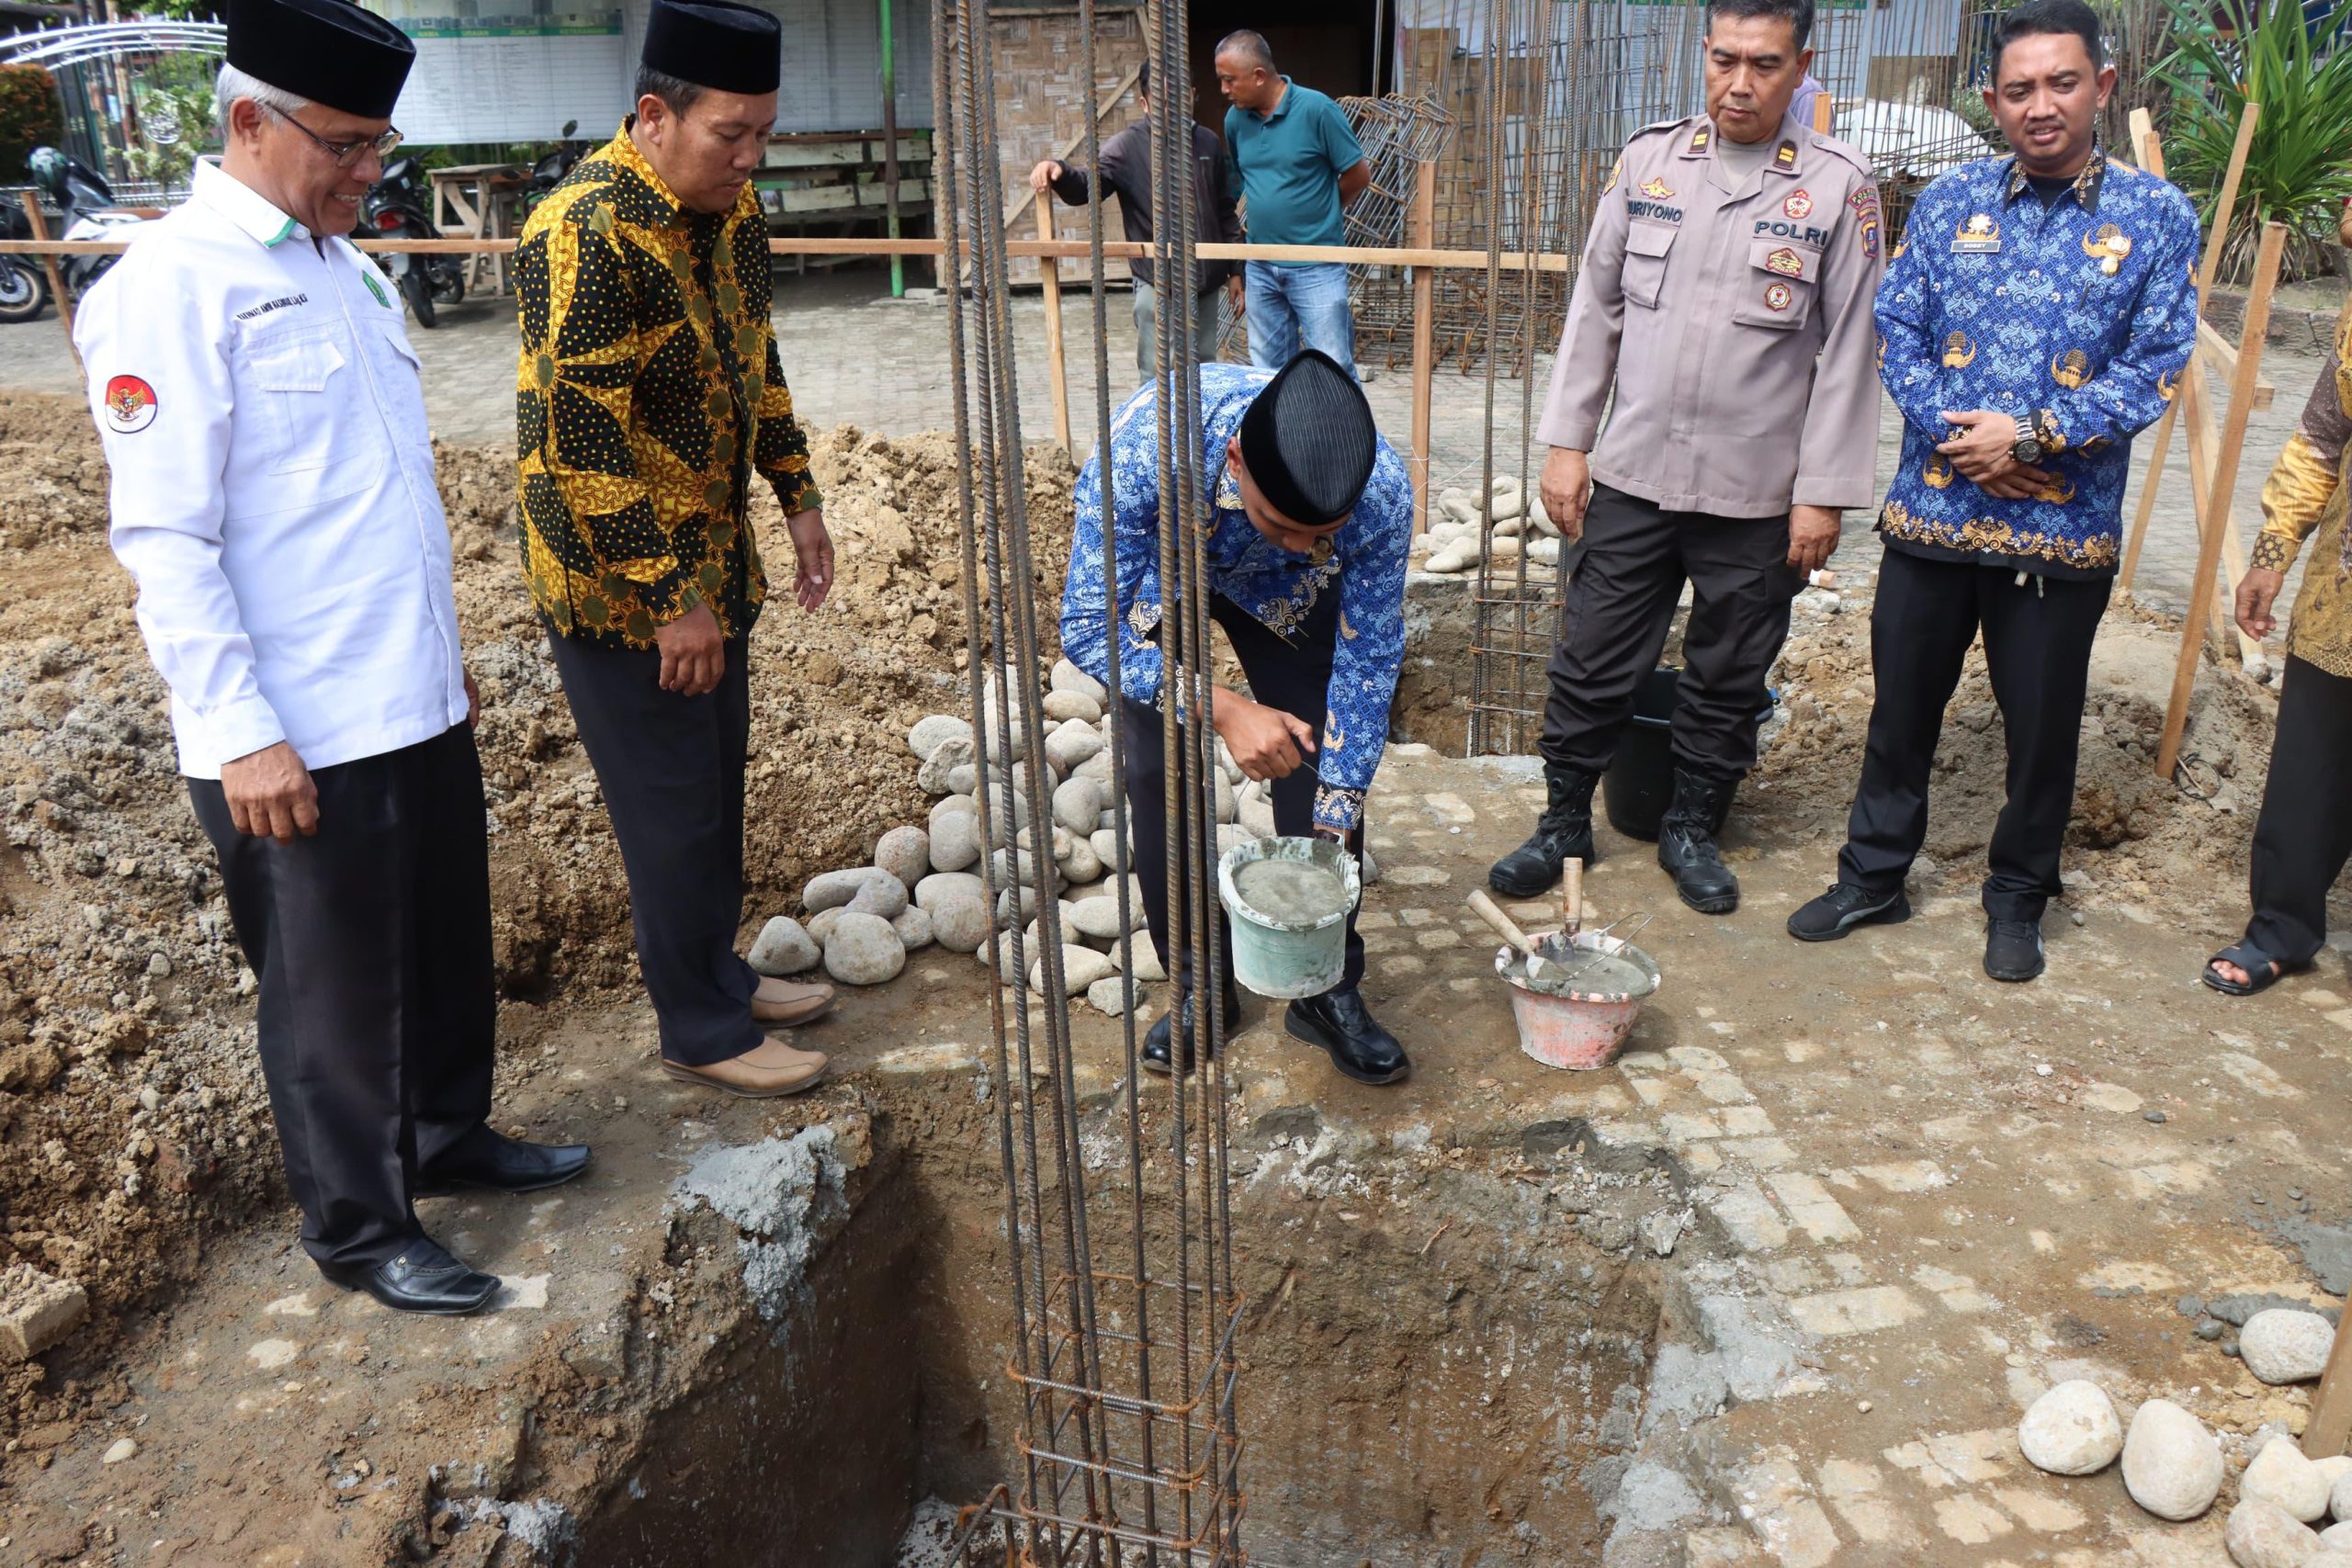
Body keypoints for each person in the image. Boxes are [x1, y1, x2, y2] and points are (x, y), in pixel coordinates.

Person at [78, 0, 591, 1317]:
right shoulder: (167, 290)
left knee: (439, 943)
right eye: (348, 146)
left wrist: (444, 657)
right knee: (329, 991)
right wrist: (240, 727)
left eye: (382, 147)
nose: (370, 174)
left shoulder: (348, 272)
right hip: (294, 724)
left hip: (407, 693)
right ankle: (359, 1225)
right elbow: (168, 538)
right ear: (251, 120)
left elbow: (375, 496)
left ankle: (445, 1131)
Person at [1788, 0, 2199, 981]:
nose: (2041, 106)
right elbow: (1902, 331)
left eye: (2061, 83)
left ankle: (2017, 898)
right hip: (1933, 511)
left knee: (2042, 729)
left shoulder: (2153, 216)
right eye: (2019, 90)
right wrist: (1961, 439)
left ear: (2101, 87)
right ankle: (1873, 876)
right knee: (1900, 713)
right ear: (1991, 102)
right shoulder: (1947, 202)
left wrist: (2034, 435)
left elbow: (2154, 366)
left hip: (2061, 530)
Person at [1487, 0, 1883, 916]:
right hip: (1632, 473)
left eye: (1764, 64)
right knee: (1589, 660)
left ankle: (1691, 828)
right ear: (1702, 54)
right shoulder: (1649, 163)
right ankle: (1559, 825)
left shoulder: (1837, 188)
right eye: (1724, 59)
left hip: (1755, 491)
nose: (1739, 83)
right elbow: (1595, 313)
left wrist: (1821, 496)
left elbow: (1851, 352)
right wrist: (1565, 444)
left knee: (1727, 672)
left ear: (1801, 66)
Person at [514, 0, 838, 1097]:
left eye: (763, 137)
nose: (749, 160)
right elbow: (579, 440)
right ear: (655, 116)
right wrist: (666, 598)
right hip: (620, 590)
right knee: (667, 802)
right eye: (729, 136)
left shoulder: (727, 215)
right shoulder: (584, 230)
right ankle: (698, 1028)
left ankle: (716, 971)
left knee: (712, 782)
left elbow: (761, 358)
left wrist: (796, 494)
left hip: (710, 562)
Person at [1060, 351, 1414, 1085]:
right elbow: (1089, 626)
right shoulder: (1143, 451)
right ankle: (1200, 983)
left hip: (1286, 593)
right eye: (1278, 521)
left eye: (1318, 530)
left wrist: (1333, 816)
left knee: (1321, 747)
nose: (1295, 538)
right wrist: (1219, 708)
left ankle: (1323, 986)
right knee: (1156, 763)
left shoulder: (1378, 493)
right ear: (1234, 461)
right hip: (1168, 568)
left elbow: (1369, 660)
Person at [2202, 197, 2352, 996]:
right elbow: (2323, 438)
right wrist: (2272, 553)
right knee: (2311, 770)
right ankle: (2284, 926)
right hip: (2343, 597)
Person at [1030, 59, 1241, 382]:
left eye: (1182, 98)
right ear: (1145, 103)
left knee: (1204, 371)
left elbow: (1225, 208)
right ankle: (1158, 433)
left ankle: (1198, 433)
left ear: (1193, 95)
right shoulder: (1127, 146)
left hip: (1205, 279)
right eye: (1163, 101)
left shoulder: (1208, 143)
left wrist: (1236, 269)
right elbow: (1089, 185)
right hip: (1156, 281)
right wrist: (1058, 171)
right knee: (1157, 375)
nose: (1175, 109)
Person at [1213, 31, 1371, 379]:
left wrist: (1326, 210)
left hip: (1318, 264)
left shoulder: (1318, 110)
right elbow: (1251, 181)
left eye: (1229, 80)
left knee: (1333, 366)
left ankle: (1344, 435)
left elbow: (1358, 174)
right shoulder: (1235, 121)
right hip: (1262, 266)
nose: (1224, 89)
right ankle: (1279, 436)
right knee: (1267, 371)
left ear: (1258, 75)